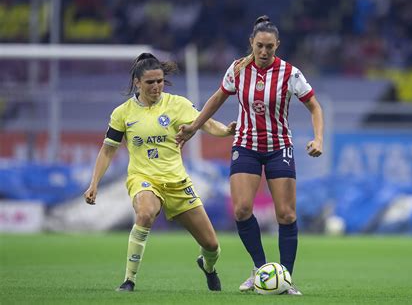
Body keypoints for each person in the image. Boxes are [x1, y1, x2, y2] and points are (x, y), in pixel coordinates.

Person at [176, 15, 324, 295]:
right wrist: (195, 127)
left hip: (279, 146)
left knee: (286, 214)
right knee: (242, 209)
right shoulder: (238, 69)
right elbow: (217, 98)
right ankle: (260, 270)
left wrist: (318, 139)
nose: (265, 52)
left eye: (270, 46)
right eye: (260, 46)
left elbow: (315, 107)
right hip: (245, 145)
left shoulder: (290, 73)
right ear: (251, 44)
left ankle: (285, 279)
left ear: (278, 45)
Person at [84, 53, 236, 292]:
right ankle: (129, 280)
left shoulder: (178, 104)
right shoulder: (122, 113)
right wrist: (94, 184)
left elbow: (206, 123)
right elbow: (107, 151)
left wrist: (226, 130)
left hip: (177, 181)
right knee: (145, 213)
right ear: (137, 82)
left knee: (212, 245)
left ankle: (208, 267)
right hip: (143, 178)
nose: (156, 87)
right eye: (150, 82)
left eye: (160, 81)